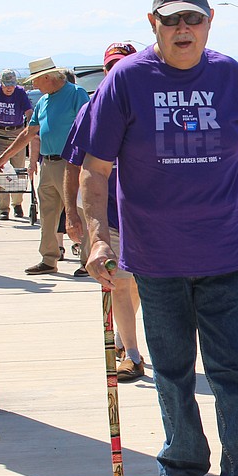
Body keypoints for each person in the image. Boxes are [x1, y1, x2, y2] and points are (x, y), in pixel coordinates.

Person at [80, 0, 238, 476]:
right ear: (154, 25)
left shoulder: (230, 77)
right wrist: (96, 236)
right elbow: (95, 174)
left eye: (193, 19)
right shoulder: (125, 81)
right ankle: (182, 474)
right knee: (171, 373)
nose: (183, 29)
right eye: (172, 20)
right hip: (157, 260)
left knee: (236, 375)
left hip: (228, 254)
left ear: (209, 22)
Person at [62, 41, 145, 379]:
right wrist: (71, 213)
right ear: (105, 71)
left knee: (136, 287)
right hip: (108, 215)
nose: (117, 73)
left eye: (124, 66)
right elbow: (74, 164)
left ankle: (126, 341)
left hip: (145, 216)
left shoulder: (149, 104)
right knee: (120, 285)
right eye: (112, 67)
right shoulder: (93, 108)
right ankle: (134, 356)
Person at [0, 57, 89, 275]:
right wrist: (3, 158)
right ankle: (49, 258)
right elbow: (29, 132)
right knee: (47, 213)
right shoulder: (44, 101)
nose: (34, 86)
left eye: (36, 81)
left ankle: (87, 260)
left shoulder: (76, 94)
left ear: (48, 77)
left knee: (79, 212)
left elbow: (88, 125)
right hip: (48, 163)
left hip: (71, 163)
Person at [0, 69, 33, 220]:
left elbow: (29, 111)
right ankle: (3, 208)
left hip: (17, 135)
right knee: (1, 171)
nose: (9, 88)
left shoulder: (20, 93)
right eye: (6, 85)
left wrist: (30, 125)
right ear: (1, 83)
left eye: (12, 85)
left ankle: (17, 204)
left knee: (18, 171)